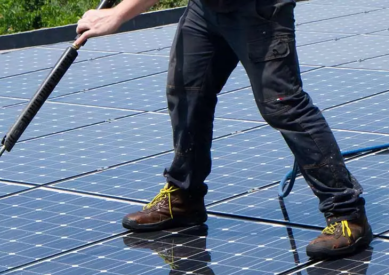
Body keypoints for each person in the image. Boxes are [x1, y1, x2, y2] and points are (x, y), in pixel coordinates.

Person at [77, 0, 372, 260]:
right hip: (205, 9)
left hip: (259, 9)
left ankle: (348, 214)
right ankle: (184, 196)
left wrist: (119, 13)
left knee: (282, 104)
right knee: (186, 92)